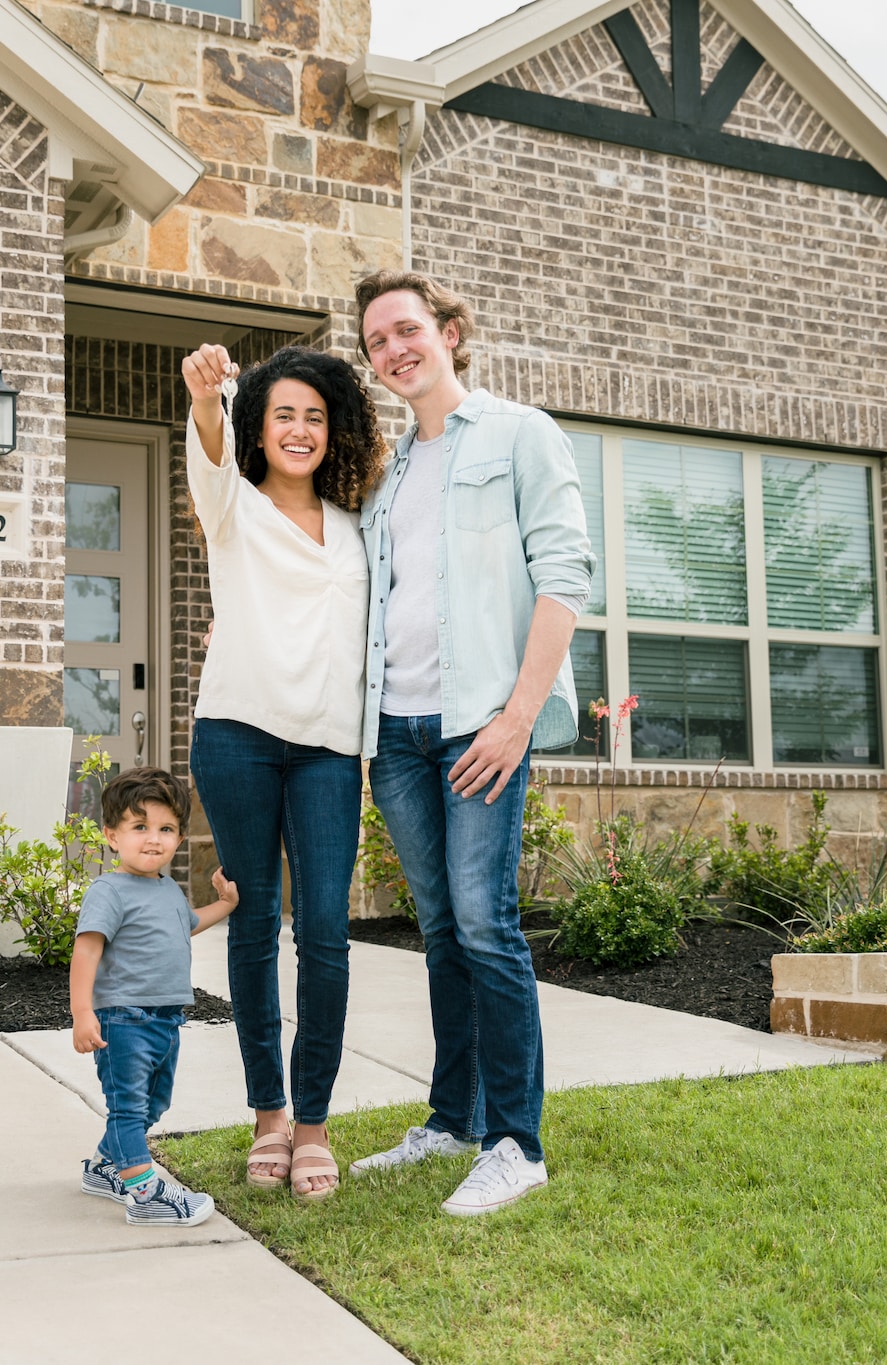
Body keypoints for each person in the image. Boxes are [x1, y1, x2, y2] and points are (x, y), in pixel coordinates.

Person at [346, 270, 593, 1217]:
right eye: (376, 341)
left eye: (406, 330)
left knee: (488, 926)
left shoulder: (522, 434)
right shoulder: (393, 471)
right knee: (442, 929)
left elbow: (566, 572)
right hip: (397, 733)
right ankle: (453, 1119)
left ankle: (517, 1143)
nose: (393, 350)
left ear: (449, 332)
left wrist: (518, 714)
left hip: (482, 725)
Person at [179, 343, 385, 1201]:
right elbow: (208, 446)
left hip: (330, 749)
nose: (298, 429)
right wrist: (205, 396)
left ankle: (314, 1126)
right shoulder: (233, 507)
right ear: (258, 430)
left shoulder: (355, 526)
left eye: (314, 415)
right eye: (282, 415)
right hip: (236, 735)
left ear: (331, 429)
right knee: (255, 924)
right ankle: (268, 1114)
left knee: (328, 934)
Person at [72, 766, 240, 1227]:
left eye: (166, 829)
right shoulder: (108, 891)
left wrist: (224, 905)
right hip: (122, 1021)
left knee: (154, 1105)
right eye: (139, 827)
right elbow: (86, 951)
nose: (153, 839)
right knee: (128, 1106)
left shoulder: (167, 888)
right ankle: (144, 1193)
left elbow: (187, 924)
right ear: (112, 835)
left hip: (165, 1020)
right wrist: (83, 1011)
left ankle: (107, 1168)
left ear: (180, 838)